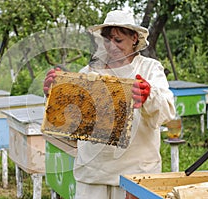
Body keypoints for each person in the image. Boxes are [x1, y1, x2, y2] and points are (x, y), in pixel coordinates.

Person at [43, 10, 175, 199]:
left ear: (134, 38)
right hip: (92, 174)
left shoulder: (149, 68)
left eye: (118, 40)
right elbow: (68, 120)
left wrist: (149, 95)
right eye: (107, 41)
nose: (111, 47)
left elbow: (168, 110)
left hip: (136, 175)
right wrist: (54, 95)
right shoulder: (91, 71)